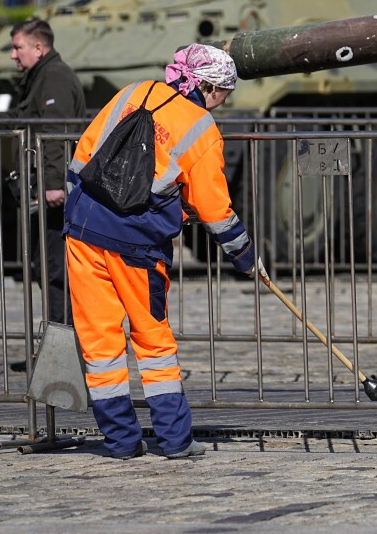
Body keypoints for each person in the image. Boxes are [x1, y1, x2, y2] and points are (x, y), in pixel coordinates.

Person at [64, 43, 258, 459]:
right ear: (206, 86)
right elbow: (215, 210)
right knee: (153, 342)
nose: (224, 101)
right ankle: (174, 440)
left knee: (99, 345)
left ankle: (120, 442)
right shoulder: (202, 129)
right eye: (225, 91)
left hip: (83, 230)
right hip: (137, 243)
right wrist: (245, 256)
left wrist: (80, 213)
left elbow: (82, 155)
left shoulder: (133, 91)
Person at [0, 20, 85, 366]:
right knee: (47, 271)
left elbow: (54, 133)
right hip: (41, 192)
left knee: (56, 272)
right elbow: (22, 119)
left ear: (38, 48)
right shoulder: (40, 77)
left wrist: (52, 184)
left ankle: (63, 355)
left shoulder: (54, 77)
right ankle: (56, 349)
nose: (13, 55)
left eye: (18, 47)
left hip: (53, 195)